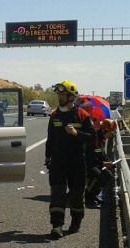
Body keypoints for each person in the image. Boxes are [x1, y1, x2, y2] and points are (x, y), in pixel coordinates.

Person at [44, 80, 95, 239]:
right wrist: (48, 156)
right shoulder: (54, 115)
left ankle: (76, 221)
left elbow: (92, 139)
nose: (59, 97)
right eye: (58, 94)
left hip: (77, 163)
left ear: (71, 97)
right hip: (58, 162)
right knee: (57, 193)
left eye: (62, 94)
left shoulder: (82, 115)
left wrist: (76, 134)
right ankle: (57, 225)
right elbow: (50, 139)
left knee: (76, 195)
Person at [85, 119, 118, 208]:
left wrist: (110, 163)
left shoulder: (101, 139)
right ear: (105, 130)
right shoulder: (95, 139)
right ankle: (88, 196)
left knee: (108, 175)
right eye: (110, 133)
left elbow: (102, 154)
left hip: (93, 163)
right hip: (85, 163)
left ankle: (93, 195)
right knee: (100, 175)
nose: (110, 136)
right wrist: (103, 164)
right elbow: (91, 158)